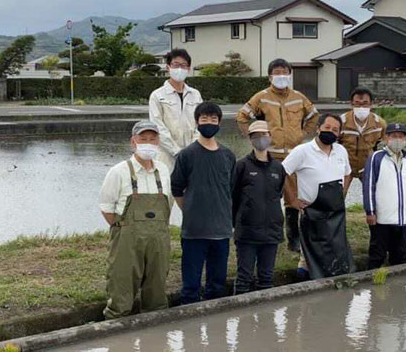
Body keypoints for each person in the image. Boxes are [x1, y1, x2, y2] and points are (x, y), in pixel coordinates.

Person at [236, 58, 319, 254]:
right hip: (269, 156)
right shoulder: (262, 97)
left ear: (290, 74)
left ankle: (294, 240)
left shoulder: (299, 97)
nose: (281, 76)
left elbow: (314, 115)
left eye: (284, 72)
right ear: (270, 76)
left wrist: (303, 133)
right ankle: (262, 235)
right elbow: (242, 116)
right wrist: (255, 136)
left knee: (293, 198)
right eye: (277, 72)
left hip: (292, 156)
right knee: (265, 196)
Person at [98, 120, 173, 319]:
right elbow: (107, 209)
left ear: (158, 142)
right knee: (121, 290)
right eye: (143, 139)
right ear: (133, 142)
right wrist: (126, 230)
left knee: (157, 294)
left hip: (158, 241)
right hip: (127, 242)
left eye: (152, 139)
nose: (148, 143)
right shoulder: (118, 171)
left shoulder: (163, 170)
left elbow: (168, 204)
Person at [171, 102, 236, 304]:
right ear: (197, 122)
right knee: (191, 285)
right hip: (194, 230)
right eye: (204, 119)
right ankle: (190, 327)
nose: (209, 123)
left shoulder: (228, 155)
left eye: (213, 119)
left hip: (222, 229)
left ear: (219, 123)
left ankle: (216, 326)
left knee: (217, 283)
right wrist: (190, 210)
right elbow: (177, 189)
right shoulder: (187, 155)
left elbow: (231, 190)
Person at [282, 113, 354, 279]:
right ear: (318, 128)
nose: (330, 131)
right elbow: (283, 172)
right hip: (312, 212)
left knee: (335, 251)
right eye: (327, 127)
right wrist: (292, 199)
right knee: (308, 256)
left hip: (335, 213)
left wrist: (342, 195)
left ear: (339, 134)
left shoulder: (341, 151)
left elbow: (348, 174)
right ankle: (303, 291)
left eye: (335, 130)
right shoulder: (302, 151)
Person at [231, 121, 286, 295]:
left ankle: (265, 320)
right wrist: (237, 223)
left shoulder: (278, 168)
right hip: (247, 232)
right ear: (250, 139)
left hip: (271, 232)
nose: (260, 139)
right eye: (256, 136)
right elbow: (232, 196)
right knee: (244, 278)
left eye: (264, 134)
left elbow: (279, 194)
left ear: (270, 136)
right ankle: (240, 317)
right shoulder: (241, 166)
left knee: (267, 277)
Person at [363, 123, 406, 269]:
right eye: (394, 136)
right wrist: (370, 211)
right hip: (382, 219)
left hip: (403, 218)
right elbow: (369, 186)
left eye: (401, 136)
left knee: (400, 255)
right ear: (386, 138)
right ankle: (371, 286)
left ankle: (398, 289)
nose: (397, 140)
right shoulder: (377, 158)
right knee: (377, 255)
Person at [148, 48, 203, 172]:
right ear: (168, 67)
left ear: (188, 69)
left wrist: (192, 150)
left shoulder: (195, 95)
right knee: (167, 188)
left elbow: (200, 123)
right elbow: (157, 126)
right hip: (166, 156)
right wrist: (176, 152)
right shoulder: (157, 95)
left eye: (183, 65)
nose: (179, 69)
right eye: (176, 65)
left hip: (192, 155)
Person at [339, 86, 386, 181]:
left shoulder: (379, 123)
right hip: (345, 166)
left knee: (372, 194)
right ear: (351, 103)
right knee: (338, 194)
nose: (361, 107)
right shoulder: (341, 121)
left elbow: (385, 143)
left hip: (367, 165)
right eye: (357, 104)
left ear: (371, 104)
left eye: (365, 103)